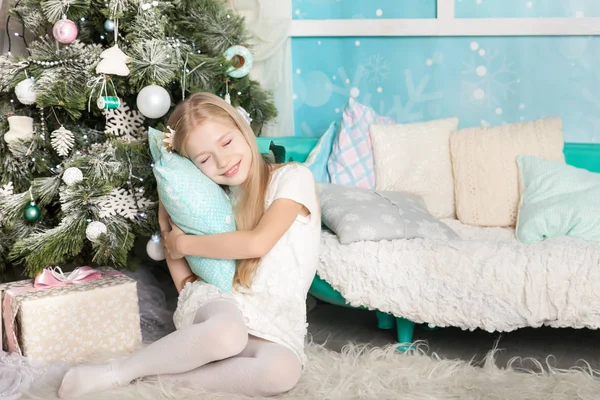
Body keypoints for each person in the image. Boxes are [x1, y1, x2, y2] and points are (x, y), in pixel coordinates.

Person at [58, 92, 321, 398]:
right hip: (221, 305)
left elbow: (257, 243)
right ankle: (116, 372)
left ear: (243, 130)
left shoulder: (293, 177)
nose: (223, 161)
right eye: (204, 159)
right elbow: (175, 250)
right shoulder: (213, 198)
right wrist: (180, 258)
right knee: (227, 333)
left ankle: (164, 381)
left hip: (274, 320)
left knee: (282, 372)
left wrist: (185, 244)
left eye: (226, 142)